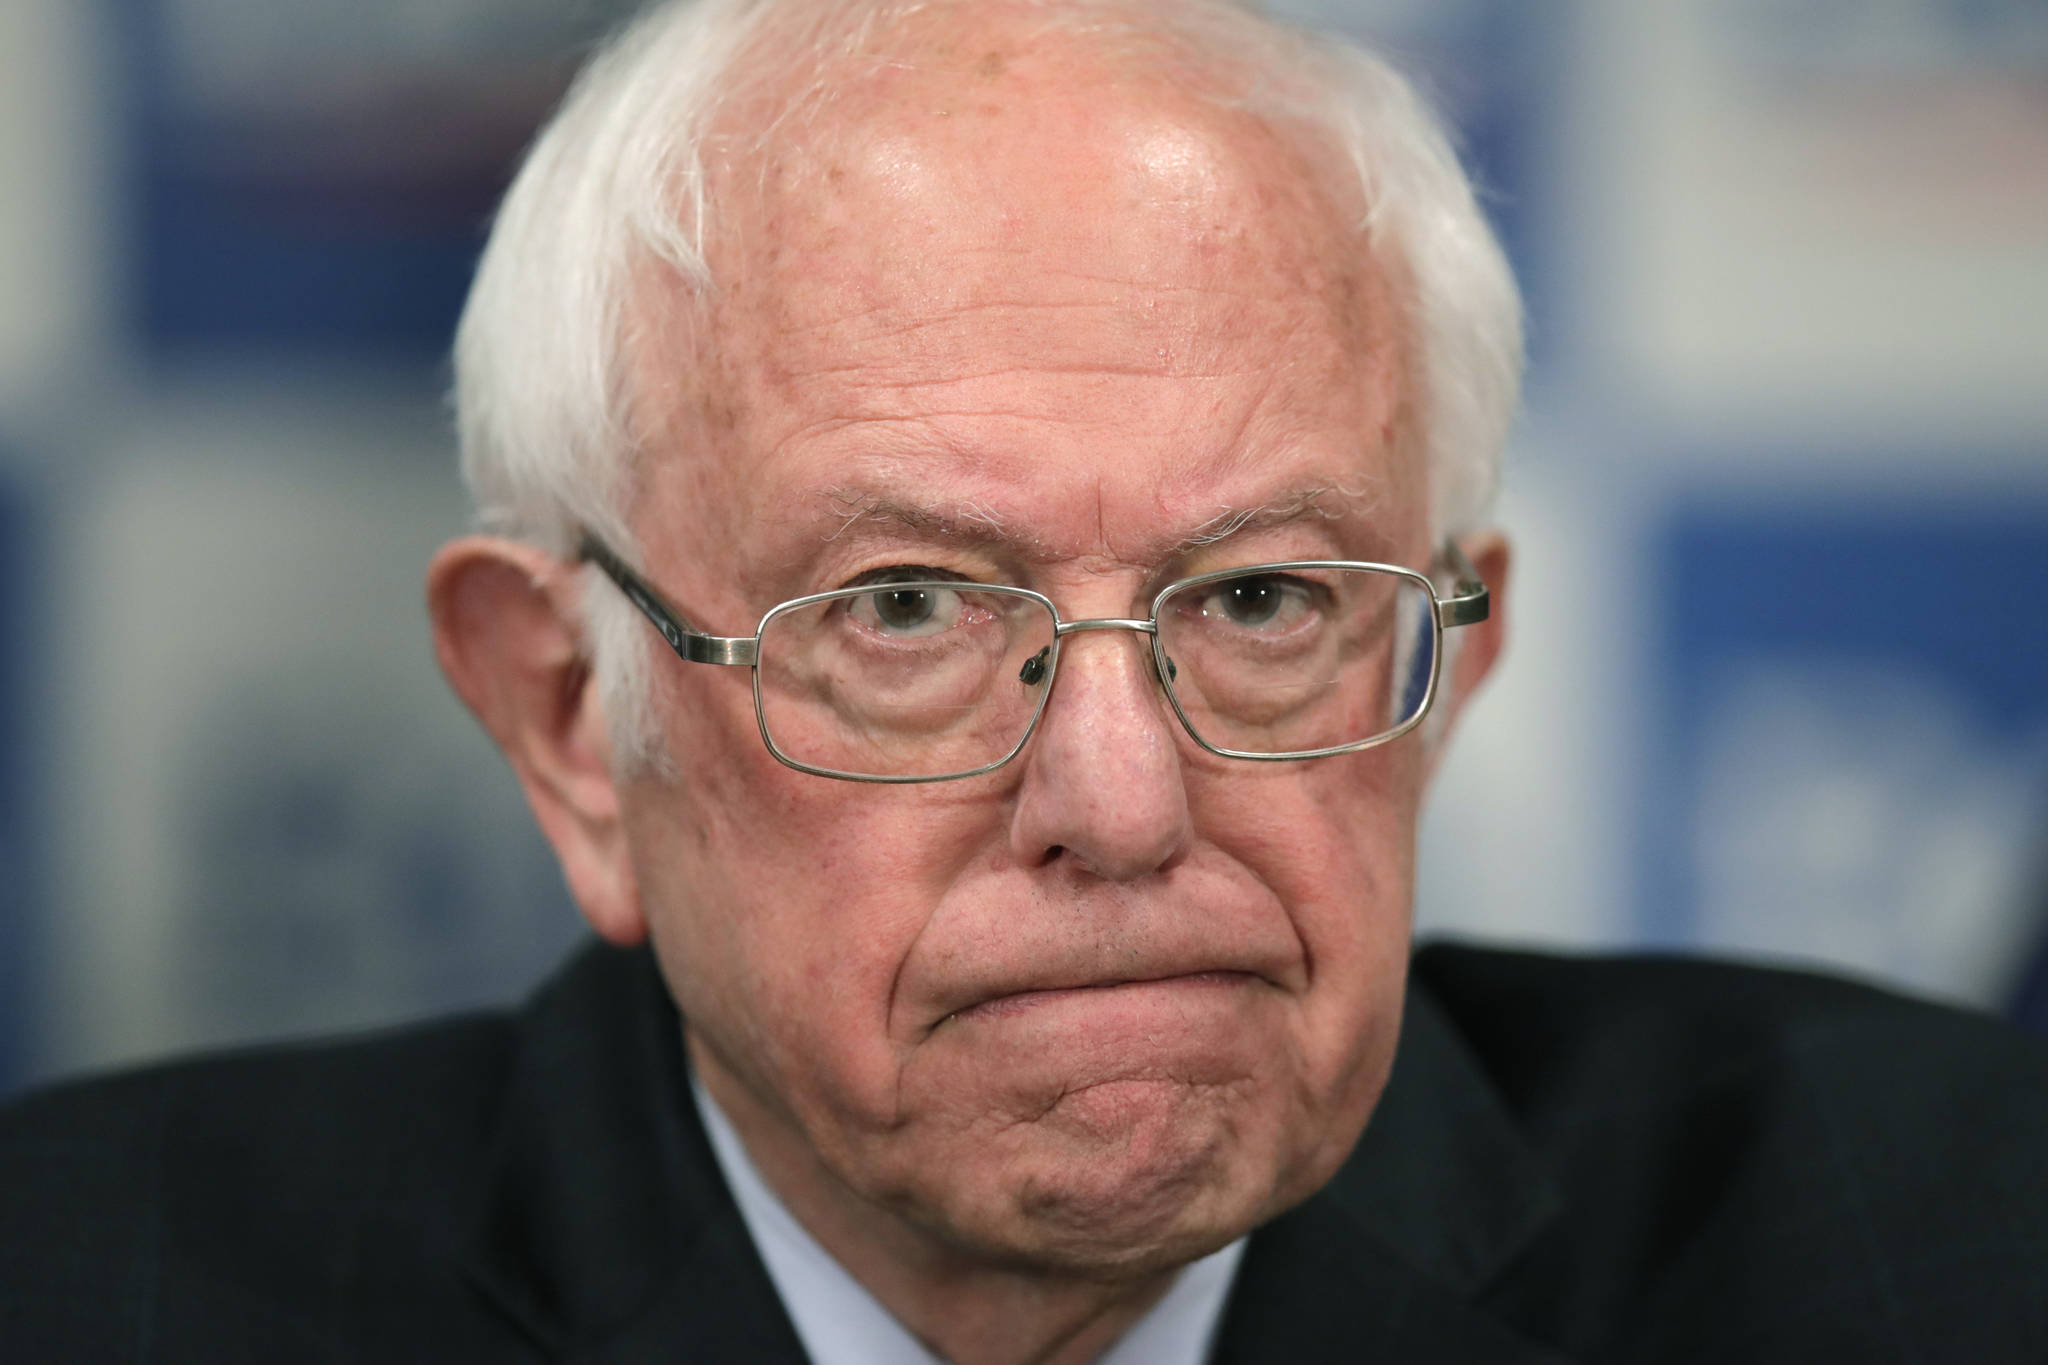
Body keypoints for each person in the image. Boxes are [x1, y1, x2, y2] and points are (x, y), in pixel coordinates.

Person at [5, 1, 2047, 1361]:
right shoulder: (92, 1286)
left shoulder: (1938, 1245)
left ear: (1444, 664)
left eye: (1259, 598)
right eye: (904, 610)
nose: (1124, 798)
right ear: (568, 721)